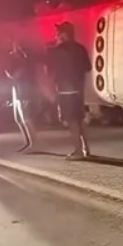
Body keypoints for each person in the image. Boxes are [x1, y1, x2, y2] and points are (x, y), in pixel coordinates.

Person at [46, 21, 91, 160]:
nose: (56, 35)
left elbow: (50, 71)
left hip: (65, 89)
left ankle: (78, 151)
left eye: (58, 33)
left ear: (64, 34)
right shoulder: (80, 48)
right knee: (79, 118)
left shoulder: (56, 50)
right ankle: (86, 149)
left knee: (72, 120)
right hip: (79, 88)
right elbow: (88, 67)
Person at [5, 40, 38, 152]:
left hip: (25, 90)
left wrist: (9, 73)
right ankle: (27, 142)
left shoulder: (25, 59)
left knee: (26, 118)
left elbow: (16, 75)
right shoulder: (15, 58)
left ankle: (34, 143)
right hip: (17, 89)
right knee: (18, 118)